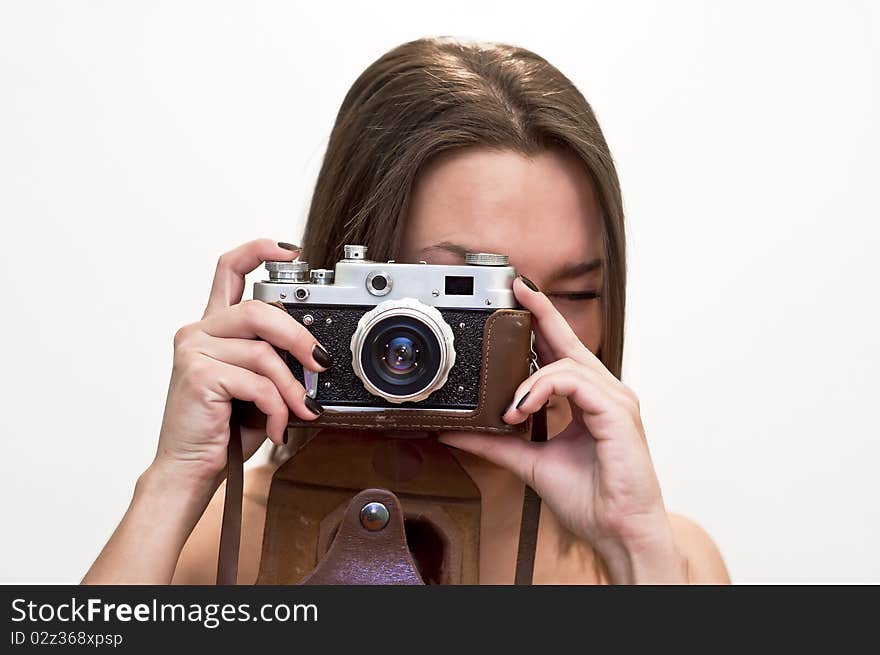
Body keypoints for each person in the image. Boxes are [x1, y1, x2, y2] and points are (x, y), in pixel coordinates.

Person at [83, 37, 730, 585]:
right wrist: (173, 484)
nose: (524, 339)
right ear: (347, 289)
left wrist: (635, 549)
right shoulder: (217, 540)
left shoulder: (674, 562)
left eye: (573, 295)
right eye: (462, 293)